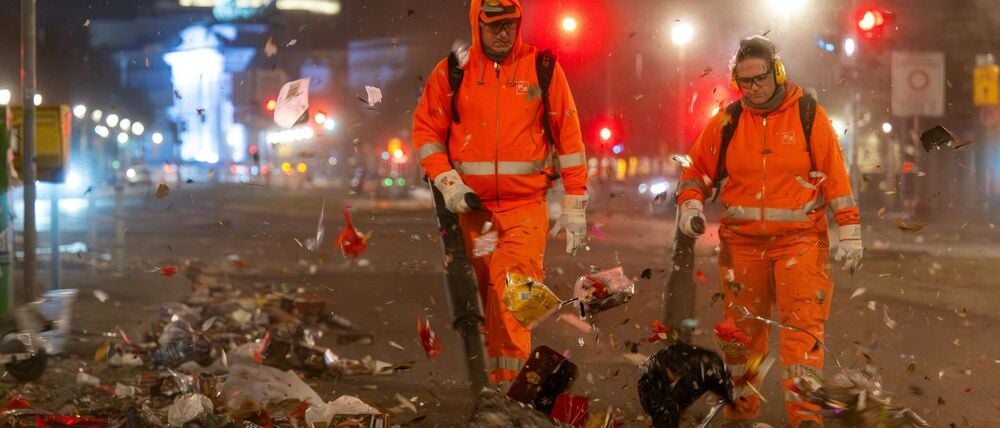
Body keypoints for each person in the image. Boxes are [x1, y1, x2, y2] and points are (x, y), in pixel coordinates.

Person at [675, 35, 862, 428]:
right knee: (741, 338)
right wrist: (690, 203)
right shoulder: (728, 122)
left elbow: (835, 177)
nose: (753, 88)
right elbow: (695, 170)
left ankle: (806, 418)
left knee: (802, 332)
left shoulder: (808, 115)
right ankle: (741, 414)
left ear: (777, 72)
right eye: (744, 81)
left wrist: (850, 230)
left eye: (759, 78)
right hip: (742, 246)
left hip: (801, 243)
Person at [412, 0, 588, 384]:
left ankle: (509, 394)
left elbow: (569, 137)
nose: (503, 32)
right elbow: (427, 134)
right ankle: (494, 392)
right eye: (494, 25)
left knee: (513, 302)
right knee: (485, 306)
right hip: (471, 212)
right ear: (477, 24)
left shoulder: (542, 68)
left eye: (510, 24)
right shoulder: (453, 72)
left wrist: (576, 200)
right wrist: (447, 181)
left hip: (525, 208)